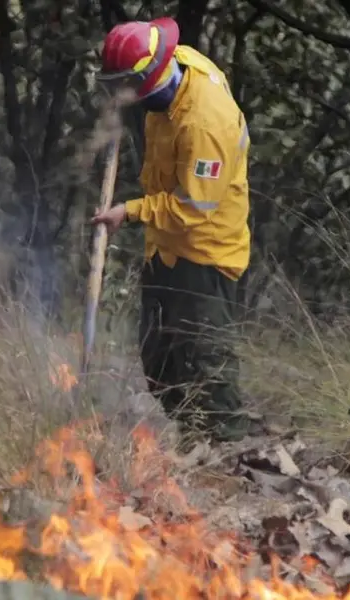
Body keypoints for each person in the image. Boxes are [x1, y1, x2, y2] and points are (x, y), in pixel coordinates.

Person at [89, 17, 256, 443]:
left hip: (204, 251)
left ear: (146, 80)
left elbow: (194, 209)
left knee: (206, 358)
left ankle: (229, 452)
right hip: (164, 246)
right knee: (159, 357)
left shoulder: (204, 123)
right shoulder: (172, 64)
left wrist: (129, 211)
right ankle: (192, 436)